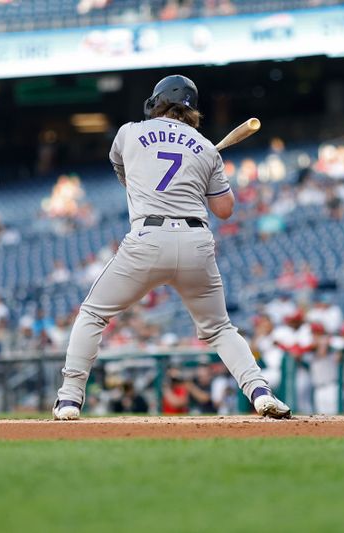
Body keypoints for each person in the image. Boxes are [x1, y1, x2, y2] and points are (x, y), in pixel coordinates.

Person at [52, 75, 290, 420]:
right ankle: (260, 391)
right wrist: (204, 169)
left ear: (156, 102)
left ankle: (70, 399)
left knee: (92, 314)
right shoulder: (206, 147)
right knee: (220, 328)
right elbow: (225, 209)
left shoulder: (128, 132)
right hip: (196, 241)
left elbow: (125, 174)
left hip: (147, 237)